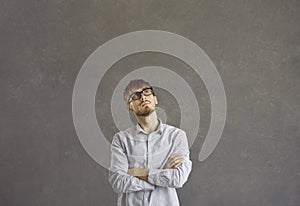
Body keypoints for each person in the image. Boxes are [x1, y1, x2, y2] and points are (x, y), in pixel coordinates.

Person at [108, 79, 192, 206]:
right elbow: (118, 182)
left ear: (155, 99)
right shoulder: (121, 139)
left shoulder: (177, 136)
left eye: (146, 92)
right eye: (135, 96)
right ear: (130, 107)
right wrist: (161, 174)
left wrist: (136, 172)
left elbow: (178, 178)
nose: (143, 97)